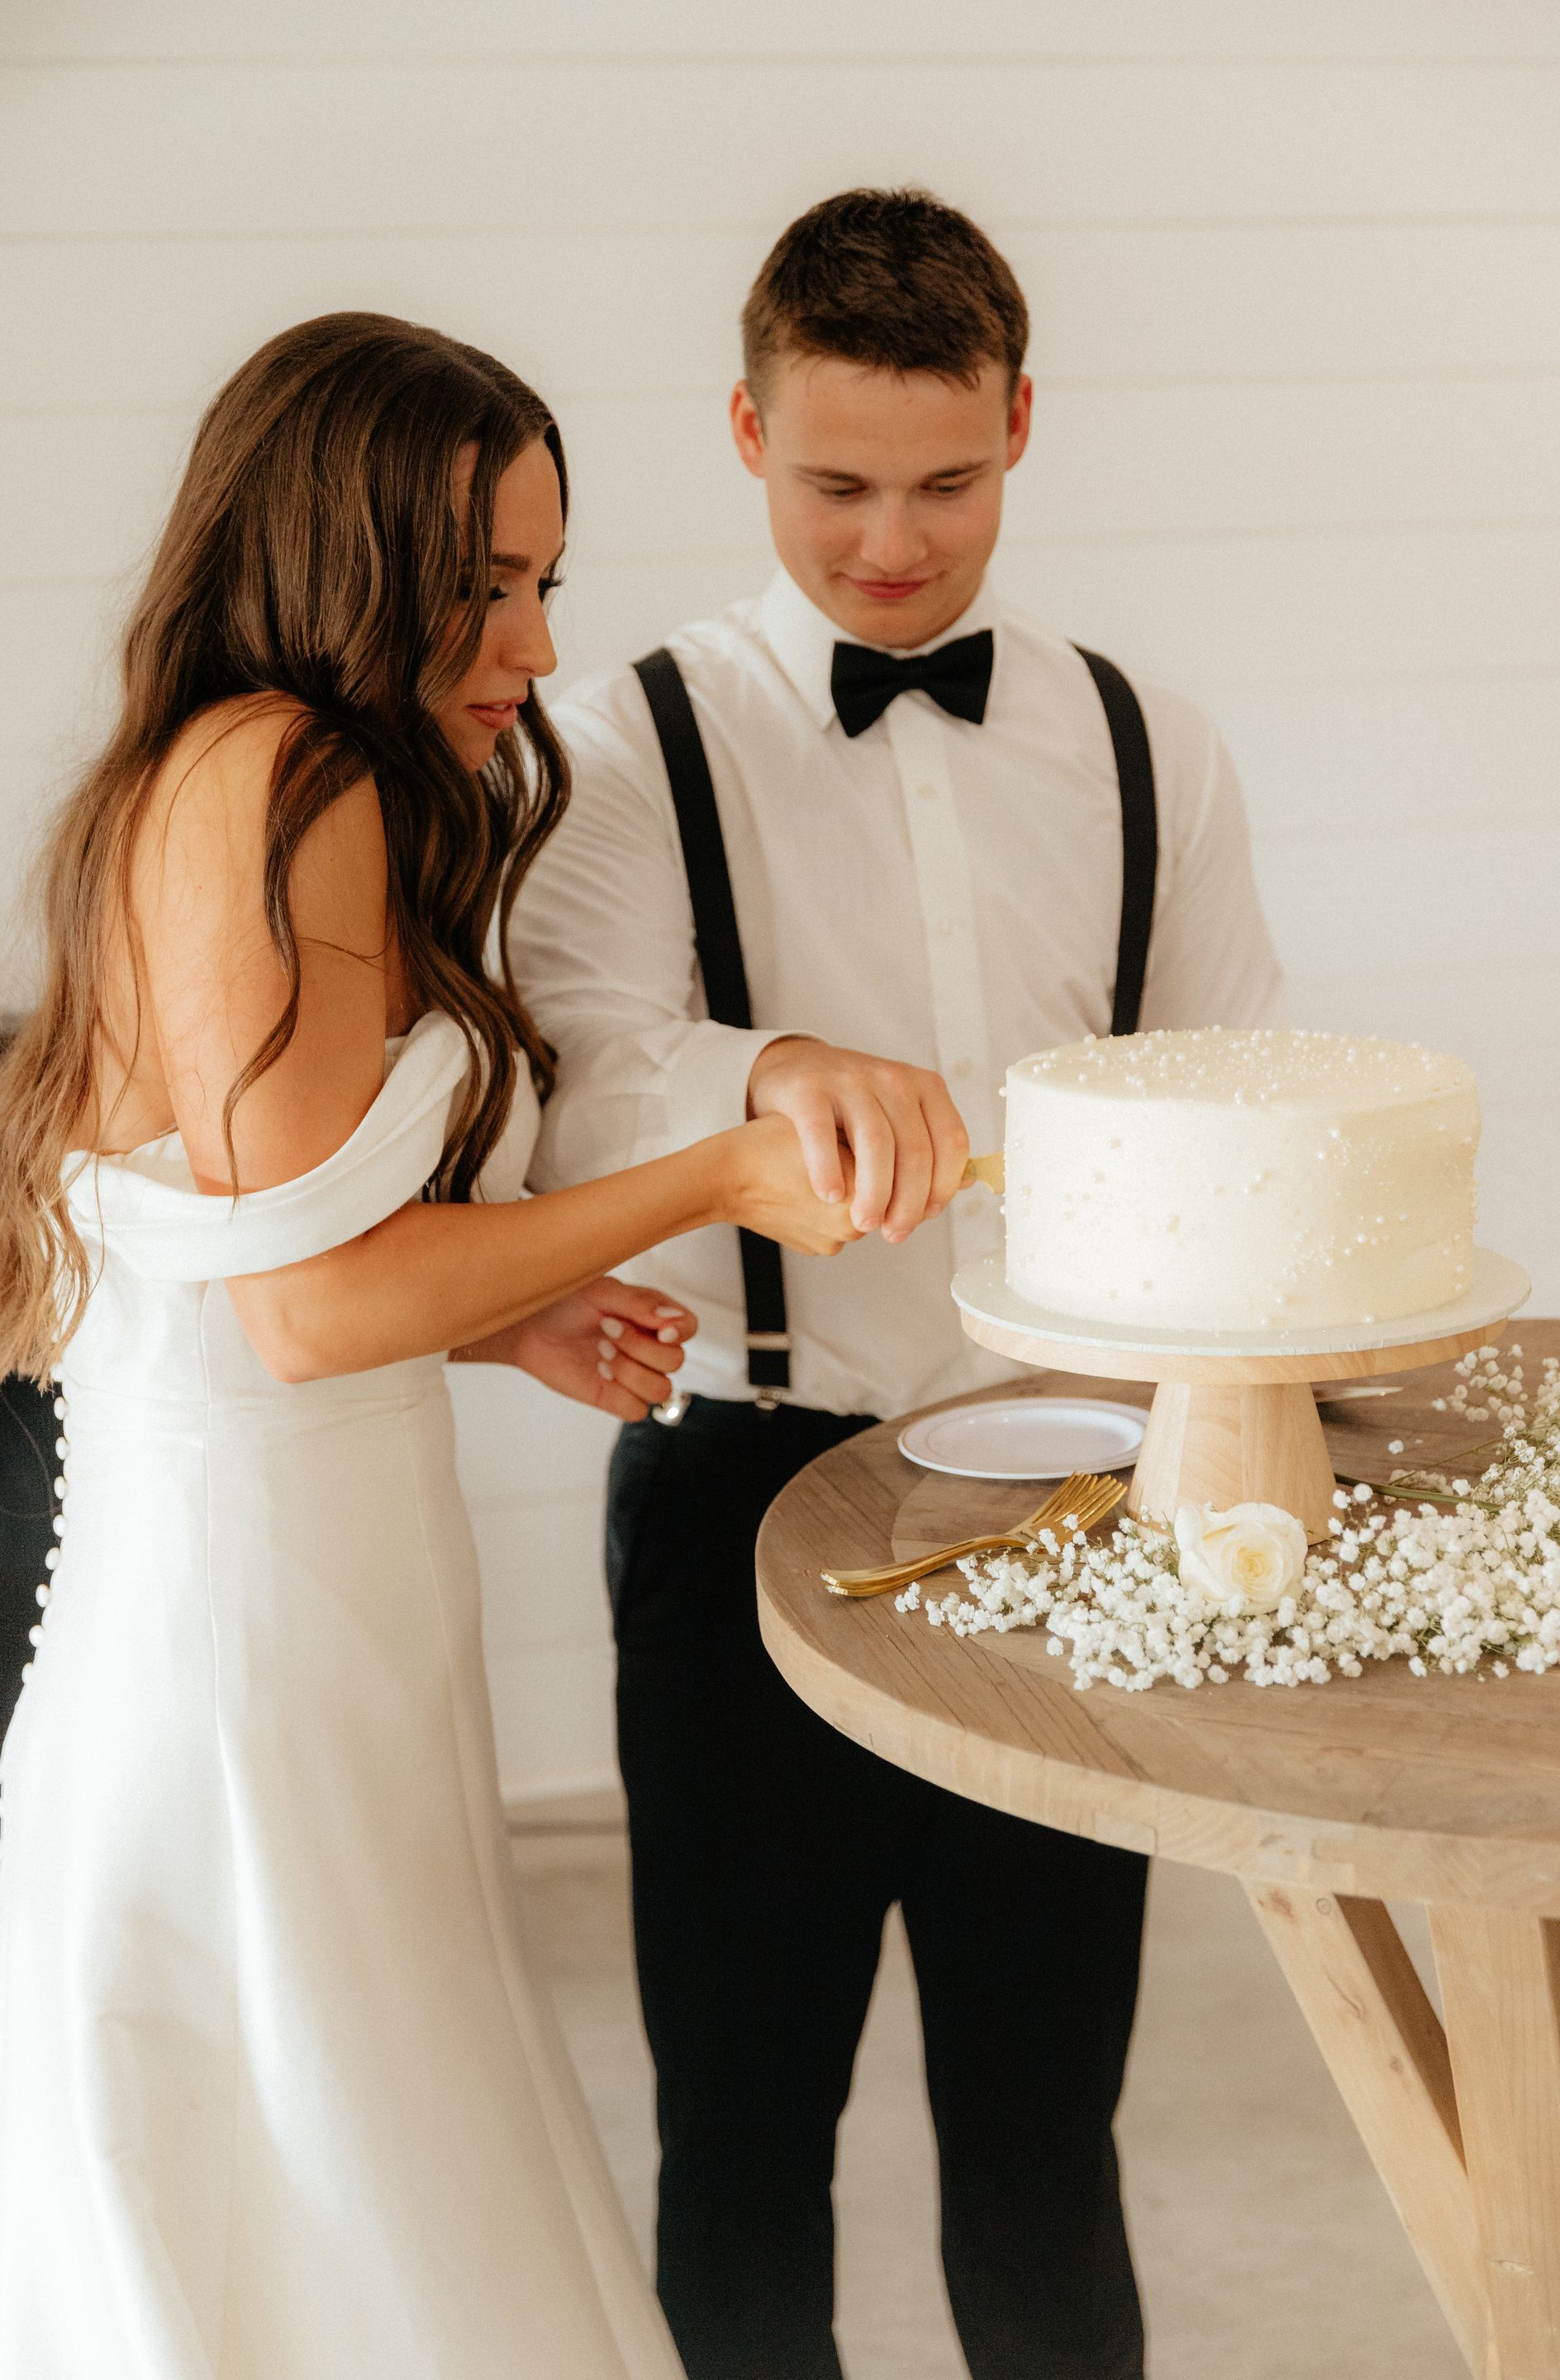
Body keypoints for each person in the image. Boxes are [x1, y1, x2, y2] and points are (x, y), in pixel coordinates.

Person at [0, 312, 872, 2379]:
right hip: (244, 1639)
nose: (537, 644)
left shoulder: (247, 772)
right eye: (487, 586)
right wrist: (717, 1178)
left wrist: (507, 1317)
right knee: (324, 2185)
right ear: (340, 551)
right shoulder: (285, 775)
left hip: (328, 1591)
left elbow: (244, 1256)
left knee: (365, 2152)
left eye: (546, 582)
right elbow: (303, 1312)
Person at [511, 188, 1286, 2380]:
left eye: (946, 484)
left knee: (1047, 2141)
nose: (890, 547)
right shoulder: (622, 739)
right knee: (739, 2145)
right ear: (746, 429)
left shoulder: (1155, 745)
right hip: (744, 1501)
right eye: (836, 485)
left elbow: (1226, 1090)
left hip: (1071, 1526)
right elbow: (578, 1085)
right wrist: (775, 1075)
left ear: (1024, 424)